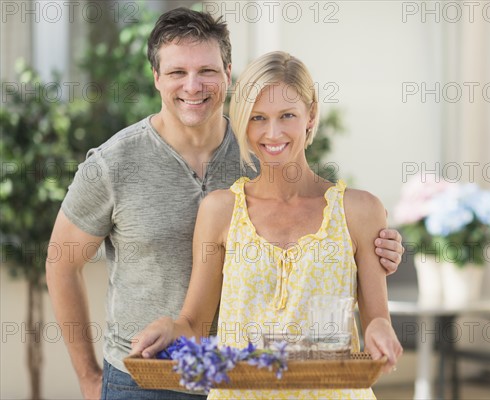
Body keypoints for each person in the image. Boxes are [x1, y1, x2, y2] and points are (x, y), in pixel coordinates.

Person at [45, 7, 404, 400]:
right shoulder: (115, 164)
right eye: (178, 72)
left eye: (207, 71)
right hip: (147, 378)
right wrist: (89, 378)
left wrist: (375, 250)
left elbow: (345, 249)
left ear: (227, 73)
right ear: (157, 78)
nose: (193, 86)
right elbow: (62, 264)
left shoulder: (259, 149)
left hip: (241, 381)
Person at [132, 51, 403, 400]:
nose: (272, 133)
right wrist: (171, 328)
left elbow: (377, 317)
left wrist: (381, 333)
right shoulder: (219, 210)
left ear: (312, 114)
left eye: (287, 115)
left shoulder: (360, 210)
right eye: (258, 117)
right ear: (243, 121)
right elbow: (195, 324)